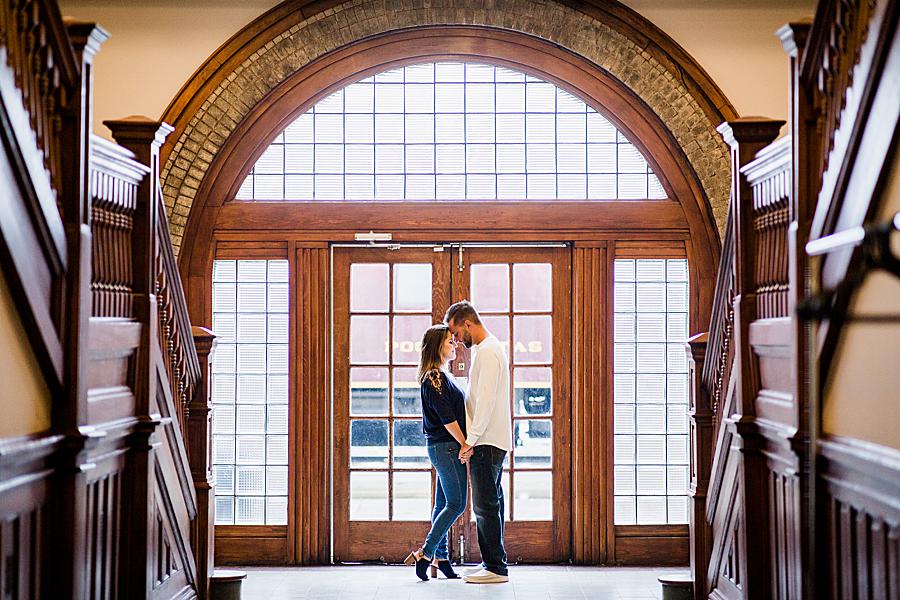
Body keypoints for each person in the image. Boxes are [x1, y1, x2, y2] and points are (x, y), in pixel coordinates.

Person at [445, 300, 511, 584]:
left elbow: (484, 403)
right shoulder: (490, 350)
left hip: (486, 441)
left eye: (456, 333)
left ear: (467, 324)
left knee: (485, 506)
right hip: (490, 439)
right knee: (491, 504)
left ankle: (495, 568)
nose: (456, 341)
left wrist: (469, 441)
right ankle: (494, 563)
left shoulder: (488, 352)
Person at [404, 324, 468, 581]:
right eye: (450, 342)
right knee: (457, 503)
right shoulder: (435, 377)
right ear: (437, 347)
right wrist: (464, 443)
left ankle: (441, 558)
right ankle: (426, 553)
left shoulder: (439, 375)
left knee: (442, 504)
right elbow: (446, 417)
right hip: (447, 447)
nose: (455, 345)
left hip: (442, 447)